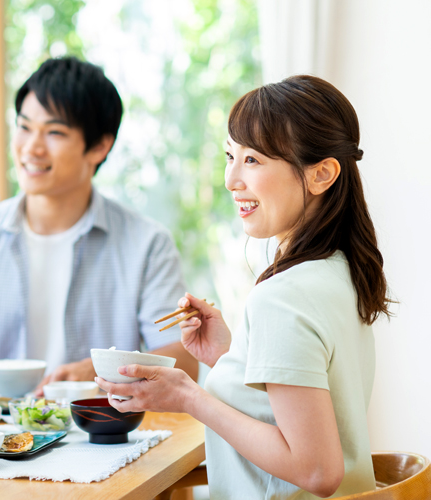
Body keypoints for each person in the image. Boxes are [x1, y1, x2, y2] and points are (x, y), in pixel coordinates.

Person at [95, 75, 391, 499]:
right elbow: (305, 406)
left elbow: (316, 470)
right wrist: (229, 358)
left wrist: (189, 397)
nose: (232, 179)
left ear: (322, 174)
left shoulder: (284, 296)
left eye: (253, 160)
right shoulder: (340, 271)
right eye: (230, 156)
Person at [0, 56, 198, 390]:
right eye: (24, 127)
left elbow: (181, 362)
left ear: (99, 146)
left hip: (101, 435)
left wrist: (102, 371)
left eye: (54, 132)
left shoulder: (146, 244)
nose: (31, 148)